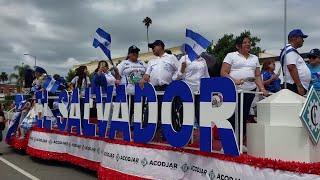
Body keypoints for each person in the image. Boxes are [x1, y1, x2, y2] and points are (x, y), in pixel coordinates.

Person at [220, 34, 268, 141]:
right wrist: (234, 80)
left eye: (249, 42)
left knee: (244, 116)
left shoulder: (254, 58)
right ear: (238, 46)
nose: (248, 44)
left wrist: (262, 89)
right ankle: (229, 143)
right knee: (232, 116)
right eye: (245, 42)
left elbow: (257, 75)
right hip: (234, 91)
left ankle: (240, 142)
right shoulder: (231, 55)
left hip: (249, 91)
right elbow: (223, 72)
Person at [140, 40, 179, 137]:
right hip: (154, 90)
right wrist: (143, 79)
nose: (152, 49)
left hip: (168, 89)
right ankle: (147, 133)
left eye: (154, 46)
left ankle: (170, 134)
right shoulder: (151, 61)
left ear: (161, 46)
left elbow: (179, 71)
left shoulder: (171, 57)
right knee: (150, 111)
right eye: (151, 47)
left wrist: (174, 80)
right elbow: (147, 75)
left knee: (168, 111)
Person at [117, 46, 146, 125]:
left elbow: (148, 73)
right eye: (133, 53)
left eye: (137, 53)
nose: (135, 54)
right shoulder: (124, 63)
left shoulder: (142, 63)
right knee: (129, 110)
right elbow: (117, 75)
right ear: (129, 54)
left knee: (139, 110)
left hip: (141, 91)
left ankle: (137, 125)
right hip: (129, 92)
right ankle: (127, 126)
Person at [280, 29, 311, 95]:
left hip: (294, 85)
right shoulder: (290, 50)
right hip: (293, 86)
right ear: (294, 38)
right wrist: (299, 85)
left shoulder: (290, 50)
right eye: (301, 37)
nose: (303, 40)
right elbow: (291, 67)